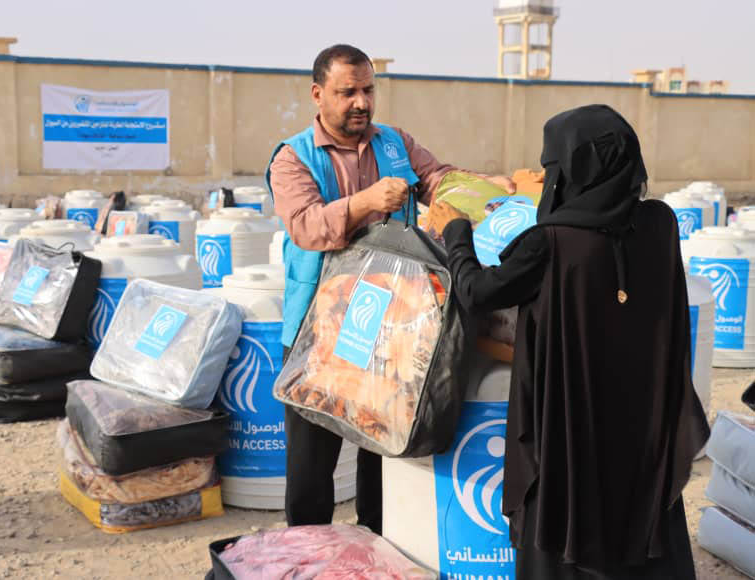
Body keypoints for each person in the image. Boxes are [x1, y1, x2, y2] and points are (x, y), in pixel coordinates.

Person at [427, 104, 710, 579]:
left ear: (573, 170)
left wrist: (456, 234)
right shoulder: (661, 225)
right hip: (643, 424)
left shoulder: (550, 243)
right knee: (642, 517)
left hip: (570, 426)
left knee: (563, 531)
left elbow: (478, 292)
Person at [265, 44, 513, 535]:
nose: (361, 102)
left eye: (368, 90)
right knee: (313, 459)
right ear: (318, 95)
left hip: (392, 325)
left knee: (383, 448)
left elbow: (437, 178)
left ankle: (377, 545)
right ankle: (307, 547)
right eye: (347, 92)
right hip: (323, 331)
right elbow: (306, 226)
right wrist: (364, 202)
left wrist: (478, 187)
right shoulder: (293, 158)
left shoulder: (395, 144)